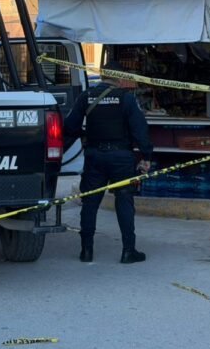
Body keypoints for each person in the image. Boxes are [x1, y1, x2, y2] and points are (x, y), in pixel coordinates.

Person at [64, 60, 153, 264]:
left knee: (90, 203)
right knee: (124, 201)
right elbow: (140, 130)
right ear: (120, 79)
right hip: (121, 157)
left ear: (103, 76)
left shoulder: (86, 97)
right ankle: (128, 251)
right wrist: (146, 156)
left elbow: (69, 126)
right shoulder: (126, 99)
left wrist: (84, 135)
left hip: (94, 156)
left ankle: (86, 251)